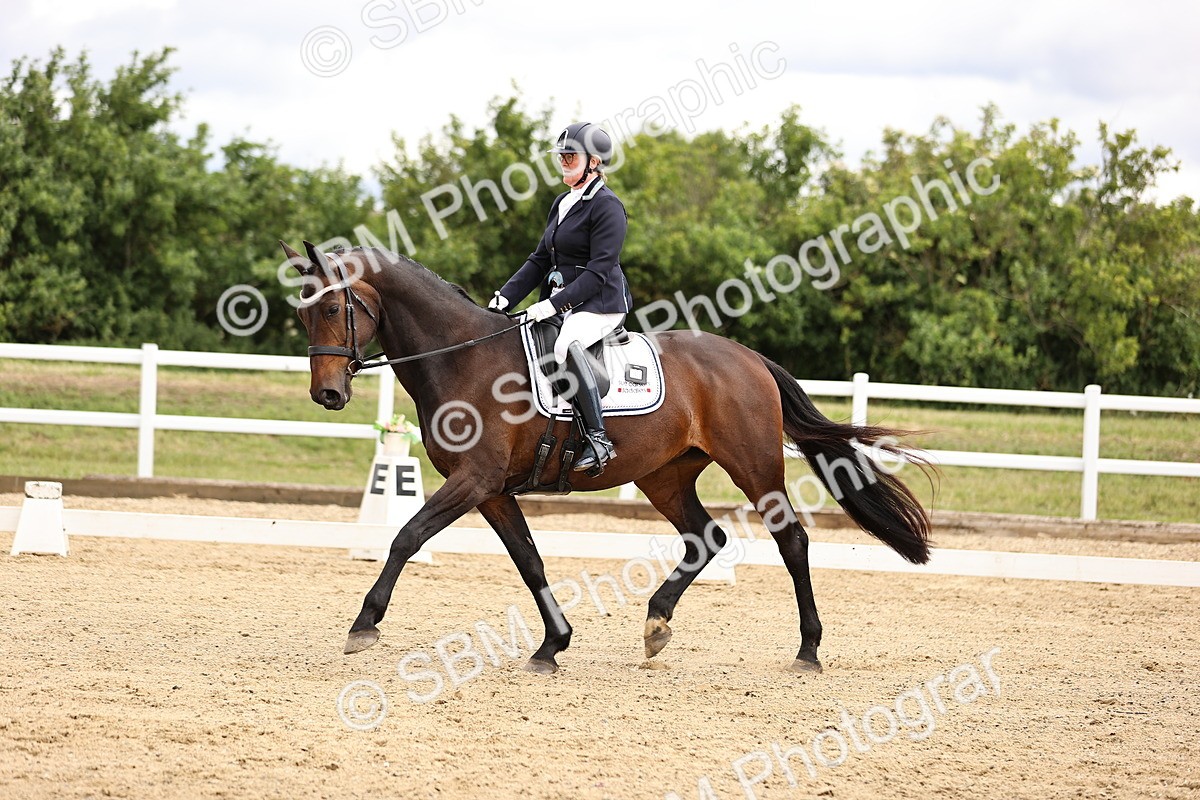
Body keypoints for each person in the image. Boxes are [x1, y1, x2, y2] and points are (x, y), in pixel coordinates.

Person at [488, 122, 632, 474]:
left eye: (571, 156)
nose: (564, 162)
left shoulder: (608, 207)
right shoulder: (563, 202)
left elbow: (598, 272)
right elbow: (540, 260)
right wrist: (504, 299)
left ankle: (598, 439)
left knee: (565, 344)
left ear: (594, 162)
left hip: (600, 303)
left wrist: (552, 305)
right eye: (561, 156)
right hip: (563, 300)